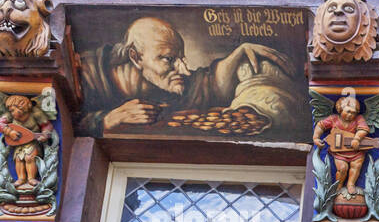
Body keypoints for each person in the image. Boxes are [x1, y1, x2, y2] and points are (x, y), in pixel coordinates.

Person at [76, 16, 291, 136]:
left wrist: (237, 56)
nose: (183, 70)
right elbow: (59, 127)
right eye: (169, 59)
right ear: (135, 57)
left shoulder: (163, 82)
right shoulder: (85, 74)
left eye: (181, 59)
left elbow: (205, 85)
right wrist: (108, 120)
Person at [312, 88, 370, 198]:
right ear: (340, 109)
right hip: (339, 152)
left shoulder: (358, 119)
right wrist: (316, 137)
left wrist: (357, 138)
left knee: (356, 166)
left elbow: (363, 129)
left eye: (353, 113)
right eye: (348, 111)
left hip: (356, 151)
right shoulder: (334, 119)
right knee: (342, 168)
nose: (351, 115)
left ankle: (351, 184)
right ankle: (338, 186)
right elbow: (320, 125)